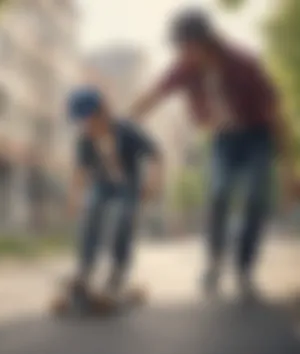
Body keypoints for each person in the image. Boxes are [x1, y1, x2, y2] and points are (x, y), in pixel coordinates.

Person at [130, 9, 298, 297]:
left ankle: (244, 267)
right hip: (222, 139)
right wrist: (125, 121)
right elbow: (155, 94)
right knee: (218, 193)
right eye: (179, 47)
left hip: (257, 137)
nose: (182, 53)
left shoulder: (244, 64)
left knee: (256, 198)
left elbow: (274, 113)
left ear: (206, 41)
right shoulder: (184, 68)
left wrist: (288, 169)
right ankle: (214, 261)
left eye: (186, 46)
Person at [66, 87, 163, 307]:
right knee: (91, 213)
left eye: (89, 121)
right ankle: (85, 270)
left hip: (128, 186)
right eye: (83, 123)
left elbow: (155, 153)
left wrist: (153, 181)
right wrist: (74, 199)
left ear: (102, 113)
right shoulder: (85, 140)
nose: (87, 128)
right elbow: (80, 172)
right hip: (102, 185)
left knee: (123, 218)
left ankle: (118, 272)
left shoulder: (126, 130)